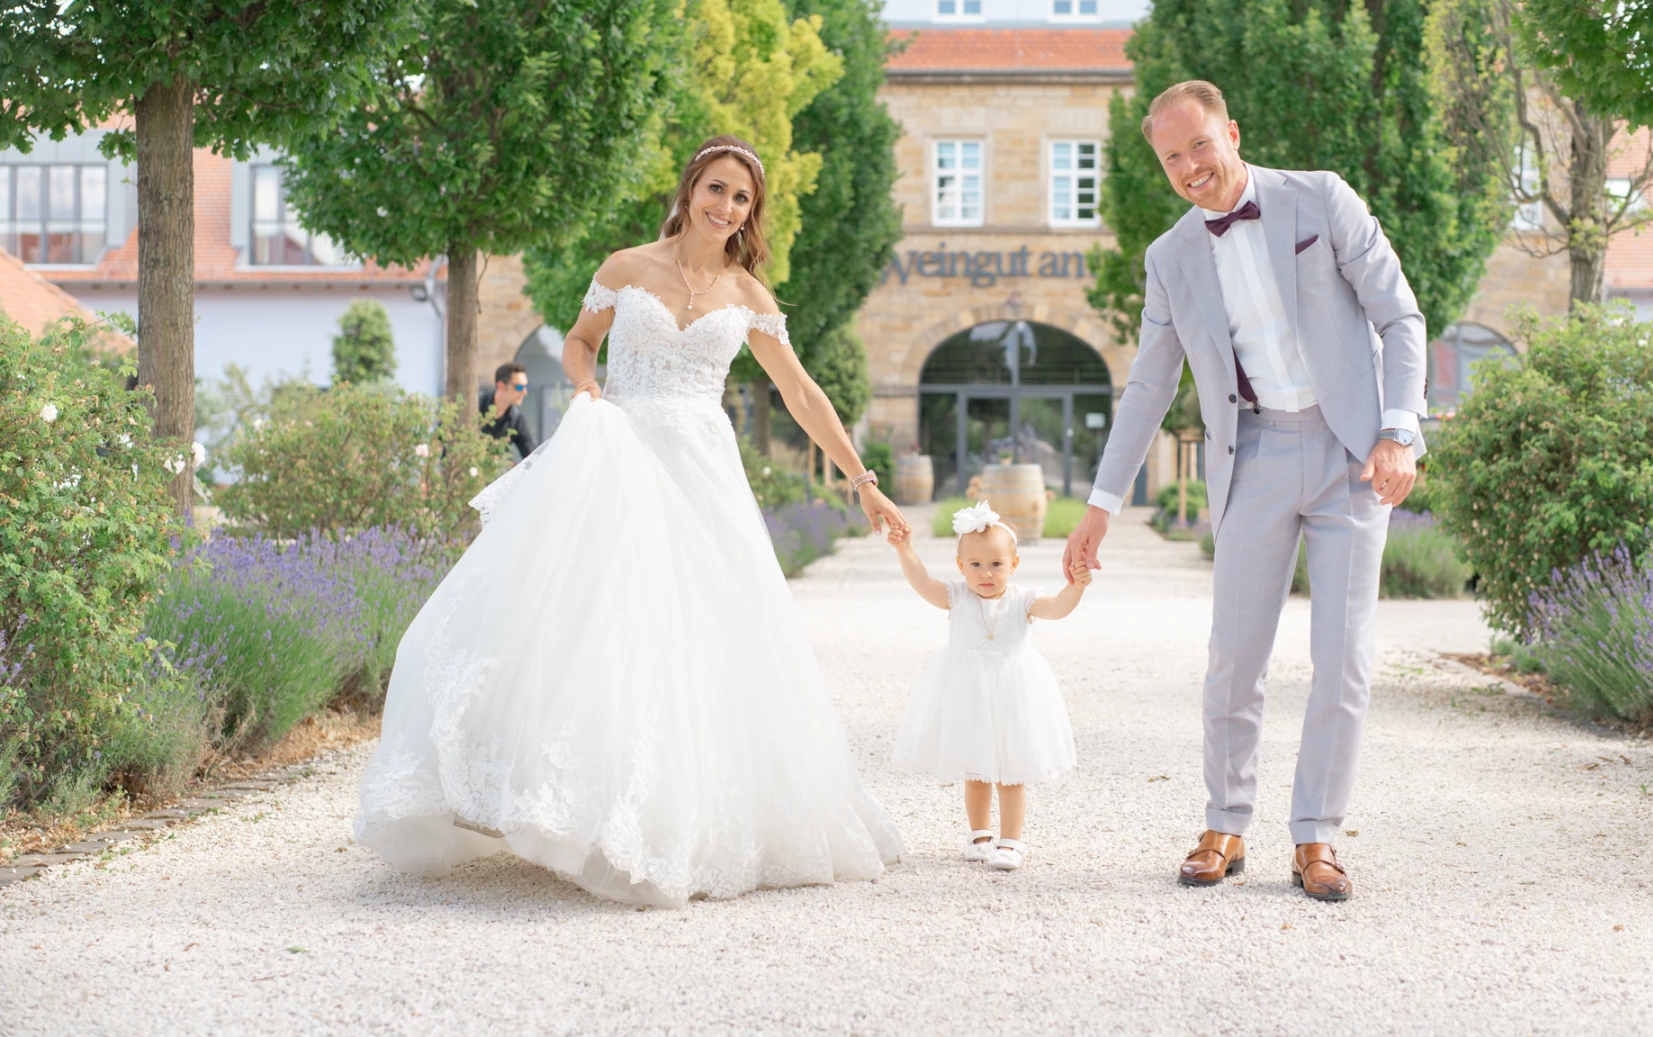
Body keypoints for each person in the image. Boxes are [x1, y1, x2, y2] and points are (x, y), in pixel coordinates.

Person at [356, 135, 910, 907]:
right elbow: (581, 344)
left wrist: (864, 481)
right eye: (716, 188)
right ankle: (563, 798)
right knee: (597, 622)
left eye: (741, 198)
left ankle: (674, 815)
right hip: (620, 449)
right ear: (690, 189)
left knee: (704, 635)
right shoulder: (625, 268)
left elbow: (803, 393)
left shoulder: (749, 295)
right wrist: (586, 389)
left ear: (752, 213)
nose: (726, 206)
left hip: (702, 465)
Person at [1062, 80, 1426, 903]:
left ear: (1232, 131)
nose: (1192, 167)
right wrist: (1101, 506)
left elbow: (1400, 319)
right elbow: (1148, 389)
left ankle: (1317, 835)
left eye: (1200, 146)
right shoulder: (1169, 257)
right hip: (1252, 454)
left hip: (1349, 455)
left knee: (1342, 657)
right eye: (1172, 158)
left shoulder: (1321, 200)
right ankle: (1224, 821)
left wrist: (1399, 431)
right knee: (1234, 657)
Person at [890, 501, 1089, 872]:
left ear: (1013, 565)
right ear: (961, 566)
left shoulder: (1024, 600)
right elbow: (921, 582)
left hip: (1012, 695)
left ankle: (1011, 841)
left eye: (996, 565)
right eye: (976, 565)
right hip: (969, 696)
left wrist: (1074, 586)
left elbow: (1059, 608)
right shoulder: (955, 596)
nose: (986, 574)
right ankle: (979, 834)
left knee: (1010, 771)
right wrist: (905, 548)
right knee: (976, 770)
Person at [477, 363, 536, 459]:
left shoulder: (517, 419)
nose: (524, 392)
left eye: (526, 387)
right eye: (519, 387)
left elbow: (531, 455)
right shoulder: (476, 406)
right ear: (501, 386)